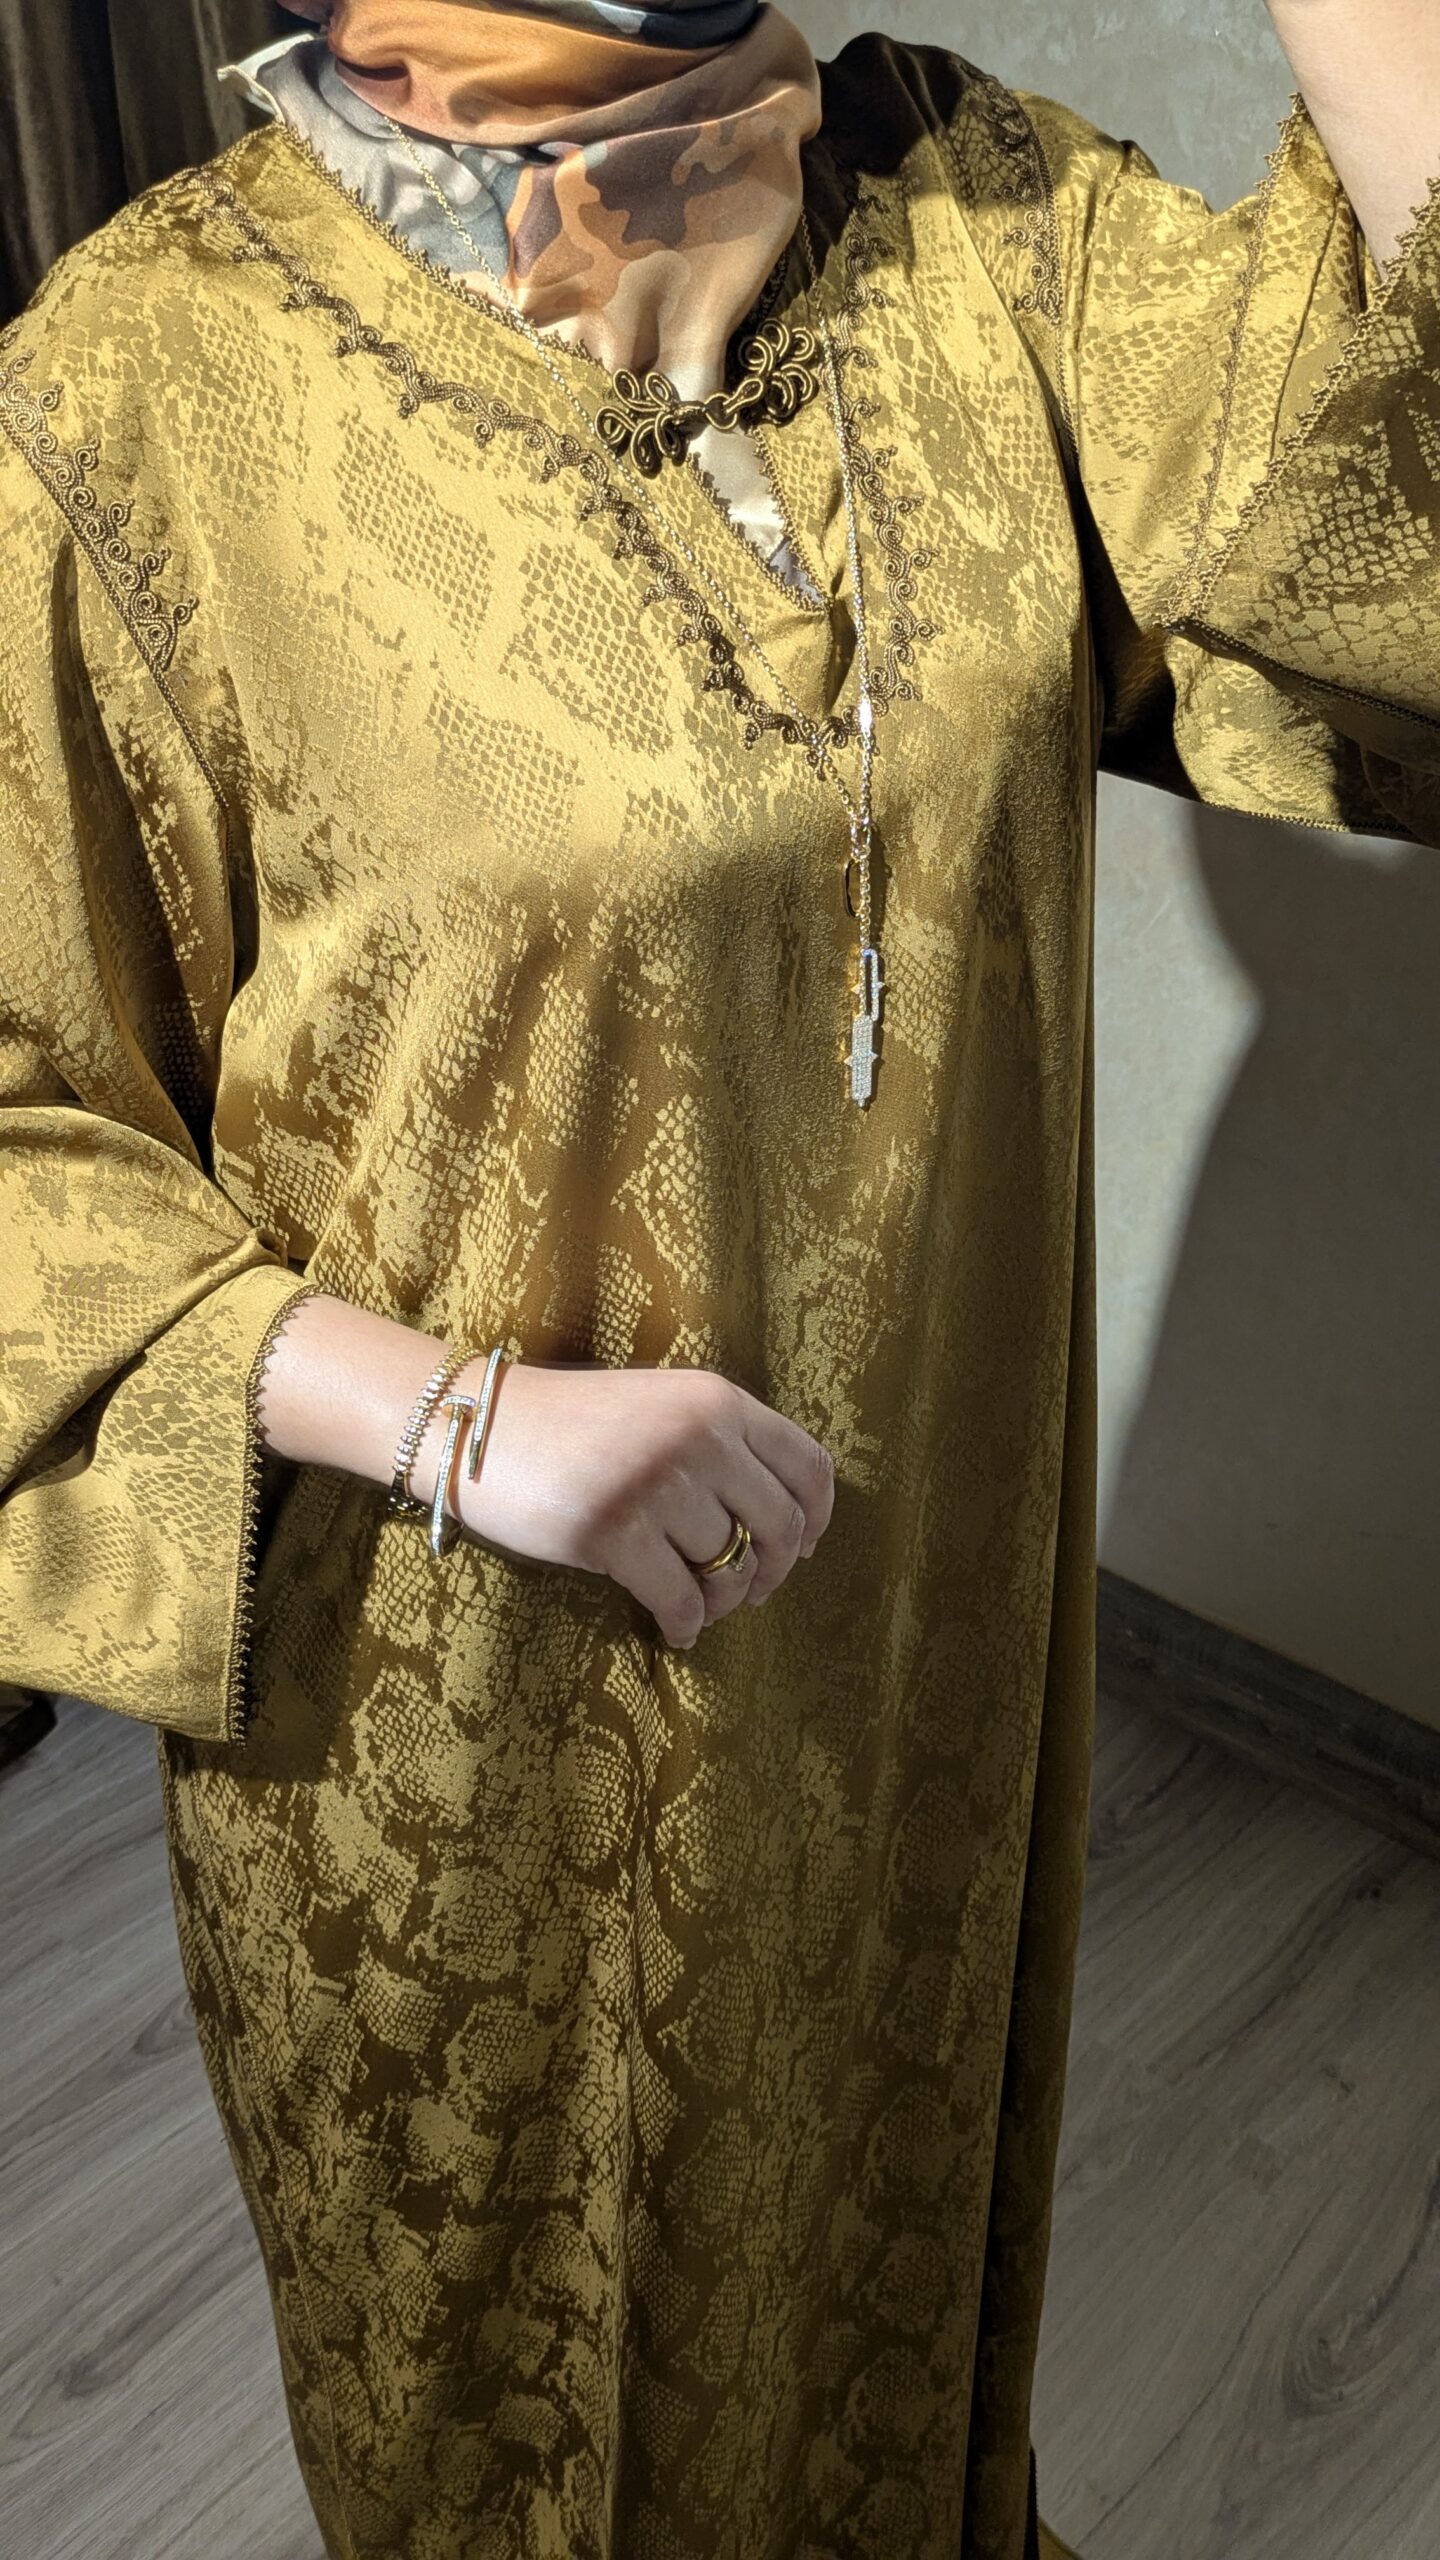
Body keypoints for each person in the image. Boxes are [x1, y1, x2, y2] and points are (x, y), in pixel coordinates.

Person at [0, 2, 1434, 2553]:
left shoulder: (966, 221)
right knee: (545, 2431)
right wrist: (449, 1415)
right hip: (464, 1712)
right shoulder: (139, 394)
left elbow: (1388, 548)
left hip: (916, 1643)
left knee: (890, 2291)